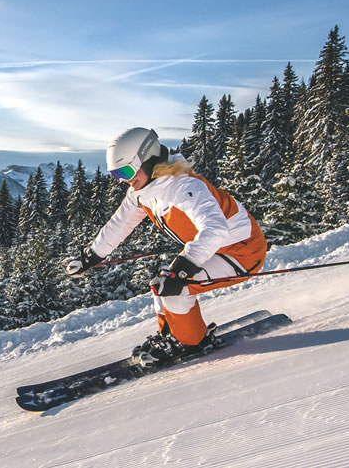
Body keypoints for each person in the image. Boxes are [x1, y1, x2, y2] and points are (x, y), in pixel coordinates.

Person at [63, 127, 269, 367]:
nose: (124, 180)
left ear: (148, 160)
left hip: (241, 251)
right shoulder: (142, 191)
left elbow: (215, 229)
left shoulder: (183, 186)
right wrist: (91, 256)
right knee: (162, 282)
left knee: (175, 286)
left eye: (127, 170)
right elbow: (119, 224)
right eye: (117, 174)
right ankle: (171, 336)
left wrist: (183, 267)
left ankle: (191, 341)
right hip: (214, 249)